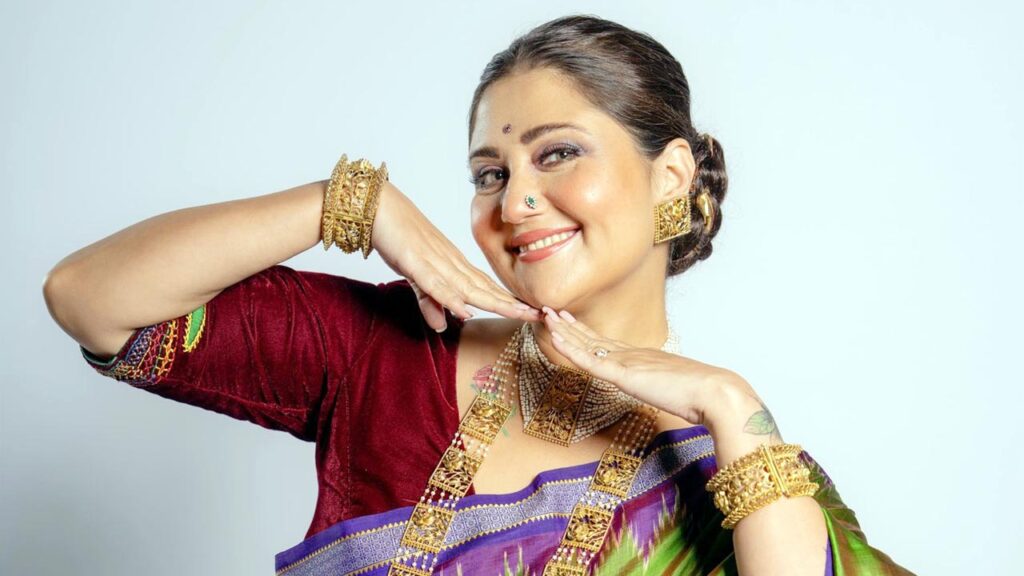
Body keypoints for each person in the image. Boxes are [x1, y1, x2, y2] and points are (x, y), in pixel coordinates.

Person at [42, 14, 911, 576]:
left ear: (671, 176)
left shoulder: (739, 465)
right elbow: (88, 297)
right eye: (490, 173)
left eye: (558, 153)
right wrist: (350, 204)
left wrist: (727, 400)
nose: (516, 200)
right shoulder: (386, 352)